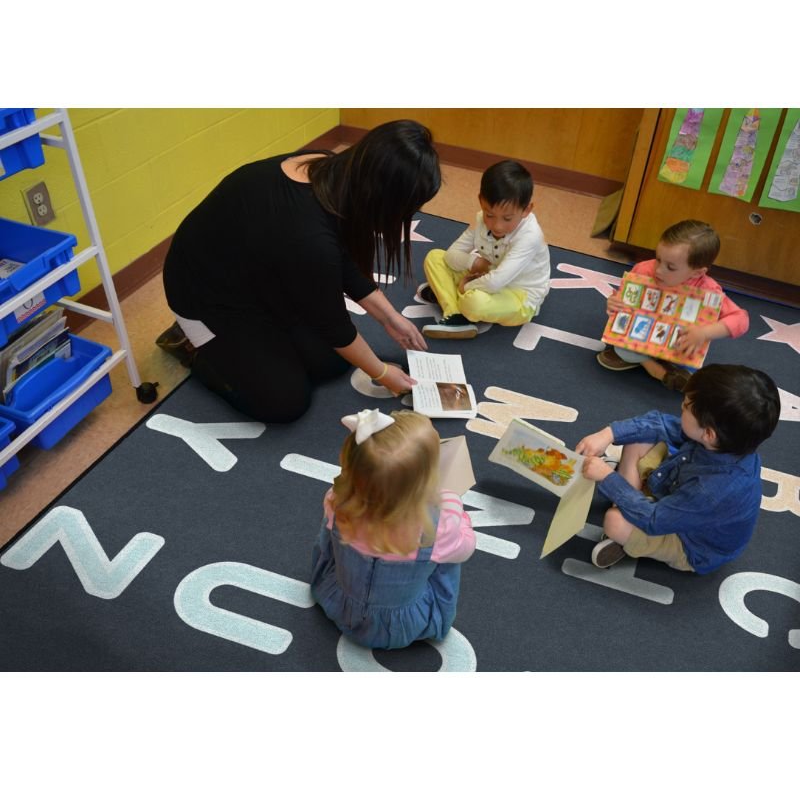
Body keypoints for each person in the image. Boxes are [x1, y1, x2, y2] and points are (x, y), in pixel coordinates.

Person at [158, 120, 441, 423]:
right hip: (205, 297)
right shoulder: (307, 236)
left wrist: (389, 317)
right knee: (284, 402)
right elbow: (334, 324)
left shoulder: (330, 169)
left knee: (331, 363)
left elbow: (340, 257)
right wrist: (382, 373)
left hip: (259, 274)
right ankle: (191, 346)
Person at [575, 364, 780, 574]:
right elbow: (661, 424)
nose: (681, 406)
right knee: (639, 438)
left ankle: (626, 522)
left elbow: (655, 520)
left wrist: (608, 478)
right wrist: (608, 434)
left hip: (690, 543)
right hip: (678, 495)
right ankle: (628, 502)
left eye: (686, 406)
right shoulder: (725, 441)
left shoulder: (711, 490)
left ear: (708, 434)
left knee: (614, 522)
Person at [310, 409, 475, 650]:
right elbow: (467, 547)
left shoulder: (336, 500)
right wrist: (453, 502)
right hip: (402, 626)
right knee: (448, 553)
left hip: (339, 605)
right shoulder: (438, 525)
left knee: (330, 534)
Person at [597, 219, 749, 392]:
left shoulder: (708, 290)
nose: (658, 270)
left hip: (677, 345)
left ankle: (649, 362)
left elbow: (741, 320)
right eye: (658, 259)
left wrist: (704, 333)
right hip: (641, 335)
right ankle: (655, 369)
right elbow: (624, 299)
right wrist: (614, 302)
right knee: (621, 347)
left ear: (697, 272)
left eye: (670, 267)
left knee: (689, 360)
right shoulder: (643, 270)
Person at [418, 159, 550, 339]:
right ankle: (455, 315)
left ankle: (449, 296)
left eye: (507, 218)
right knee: (435, 257)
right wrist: (475, 262)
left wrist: (465, 287)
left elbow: (495, 282)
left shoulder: (530, 236)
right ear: (481, 201)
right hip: (487, 275)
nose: (497, 226)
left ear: (527, 210)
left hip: (519, 295)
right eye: (490, 215)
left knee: (474, 304)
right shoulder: (481, 219)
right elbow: (451, 255)